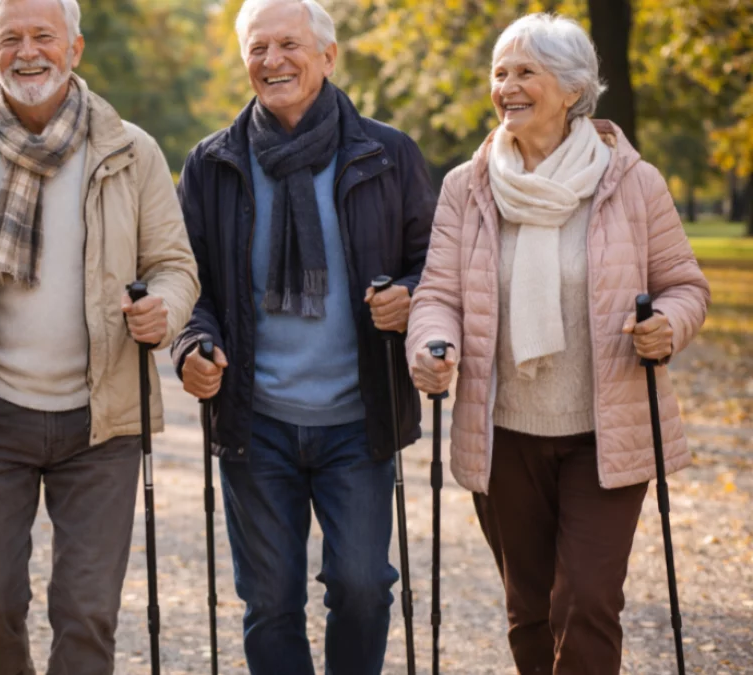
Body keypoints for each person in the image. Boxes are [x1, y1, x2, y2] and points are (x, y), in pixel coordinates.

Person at [0, 0, 199, 671]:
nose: (28, 52)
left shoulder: (130, 152)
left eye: (43, 37)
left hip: (102, 417)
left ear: (75, 49)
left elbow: (173, 266)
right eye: (10, 39)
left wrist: (163, 311)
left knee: (87, 610)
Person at [406, 14, 710, 674]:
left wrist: (667, 324)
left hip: (606, 431)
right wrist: (432, 344)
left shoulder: (632, 182)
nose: (507, 86)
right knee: (532, 607)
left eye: (525, 72)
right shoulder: (468, 186)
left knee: (589, 600)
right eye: (499, 72)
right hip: (506, 431)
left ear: (572, 89)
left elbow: (685, 286)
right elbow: (438, 295)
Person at [171, 0, 436, 671]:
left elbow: (432, 262)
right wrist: (191, 348)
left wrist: (411, 298)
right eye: (257, 49)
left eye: (289, 44)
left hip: (359, 415)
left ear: (328, 55)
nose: (272, 61)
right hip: (255, 419)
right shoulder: (213, 164)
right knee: (270, 599)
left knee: (362, 586)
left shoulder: (388, 153)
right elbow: (185, 281)